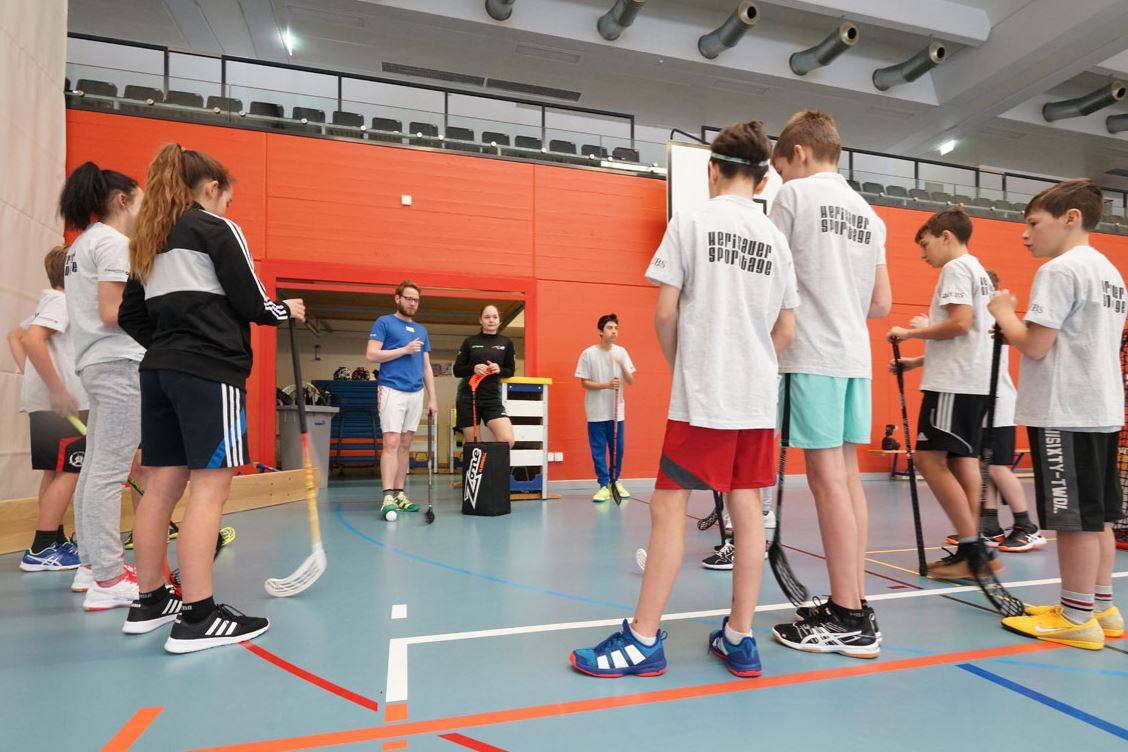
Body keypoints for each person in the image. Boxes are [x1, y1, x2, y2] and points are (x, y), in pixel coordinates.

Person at [570, 120, 797, 678]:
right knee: (747, 511)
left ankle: (644, 639)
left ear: (712, 170)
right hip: (755, 400)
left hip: (704, 397)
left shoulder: (691, 220)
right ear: (764, 179)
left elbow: (666, 313)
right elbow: (786, 331)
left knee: (670, 507)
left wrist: (686, 367)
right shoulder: (775, 239)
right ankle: (740, 637)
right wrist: (751, 367)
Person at [117, 143, 304, 651]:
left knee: (161, 487)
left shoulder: (148, 238)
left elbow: (130, 316)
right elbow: (251, 299)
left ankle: (151, 598)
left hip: (158, 373)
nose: (228, 210)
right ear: (212, 188)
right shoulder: (215, 228)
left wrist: (170, 348)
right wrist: (285, 310)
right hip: (207, 374)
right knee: (209, 488)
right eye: (227, 200)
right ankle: (198, 614)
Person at [767, 110, 890, 658]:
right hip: (853, 358)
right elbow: (881, 303)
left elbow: (767, 278)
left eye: (780, 170)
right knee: (845, 477)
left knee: (825, 480)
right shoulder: (869, 213)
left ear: (798, 154)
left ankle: (847, 617)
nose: (780, 182)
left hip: (812, 353)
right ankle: (854, 601)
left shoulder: (794, 198)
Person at [989, 179, 1126, 649]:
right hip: (1102, 410)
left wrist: (1005, 312)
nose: (1025, 234)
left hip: (1065, 411)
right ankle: (1101, 606)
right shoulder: (1110, 272)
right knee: (1100, 517)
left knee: (1074, 522)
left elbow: (1035, 343)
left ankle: (1075, 615)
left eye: (1033, 223)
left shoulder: (1060, 270)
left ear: (1071, 218)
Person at [887, 207, 998, 580]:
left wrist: (912, 332)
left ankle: (972, 548)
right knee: (960, 460)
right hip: (972, 383)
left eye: (926, 244)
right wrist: (917, 361)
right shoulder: (979, 270)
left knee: (928, 460)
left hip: (953, 385)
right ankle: (979, 550)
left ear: (946, 236)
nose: (923, 254)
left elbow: (960, 323)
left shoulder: (955, 268)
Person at [59, 161, 146, 611]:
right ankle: (110, 578)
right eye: (141, 201)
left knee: (95, 468)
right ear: (122, 200)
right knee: (110, 471)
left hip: (95, 362)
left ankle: (91, 566)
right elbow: (114, 312)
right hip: (118, 363)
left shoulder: (80, 245)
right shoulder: (114, 242)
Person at [8, 246, 87, 572]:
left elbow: (15, 335)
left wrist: (36, 379)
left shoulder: (50, 302)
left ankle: (52, 538)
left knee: (55, 472)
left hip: (50, 406)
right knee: (71, 470)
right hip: (63, 407)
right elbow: (30, 340)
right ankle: (41, 548)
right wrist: (55, 388)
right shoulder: (64, 302)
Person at [365, 281, 438, 518]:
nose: (412, 303)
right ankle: (387, 496)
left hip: (415, 392)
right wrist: (404, 350)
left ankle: (399, 494)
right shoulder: (384, 322)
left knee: (406, 445)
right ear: (397, 298)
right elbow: (372, 354)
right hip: (392, 389)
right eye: (408, 298)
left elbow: (426, 366)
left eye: (416, 300)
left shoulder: (422, 330)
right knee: (392, 442)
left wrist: (433, 398)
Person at [575, 313, 637, 502]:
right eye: (610, 328)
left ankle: (615, 481)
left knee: (618, 447)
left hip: (617, 411)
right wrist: (606, 385)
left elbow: (631, 380)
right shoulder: (588, 354)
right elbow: (584, 383)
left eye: (616, 328)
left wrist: (622, 366)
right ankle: (603, 484)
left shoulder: (621, 352)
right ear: (600, 331)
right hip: (596, 411)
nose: (614, 332)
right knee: (599, 449)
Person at [453, 304, 516, 446]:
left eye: (495, 317)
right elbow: (457, 370)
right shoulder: (470, 342)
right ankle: (479, 468)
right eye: (487, 317)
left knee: (507, 441)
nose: (491, 320)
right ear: (480, 320)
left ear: (499, 320)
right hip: (469, 398)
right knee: (475, 445)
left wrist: (499, 369)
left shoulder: (506, 343)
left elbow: (510, 370)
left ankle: (493, 469)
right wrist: (473, 368)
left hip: (492, 398)